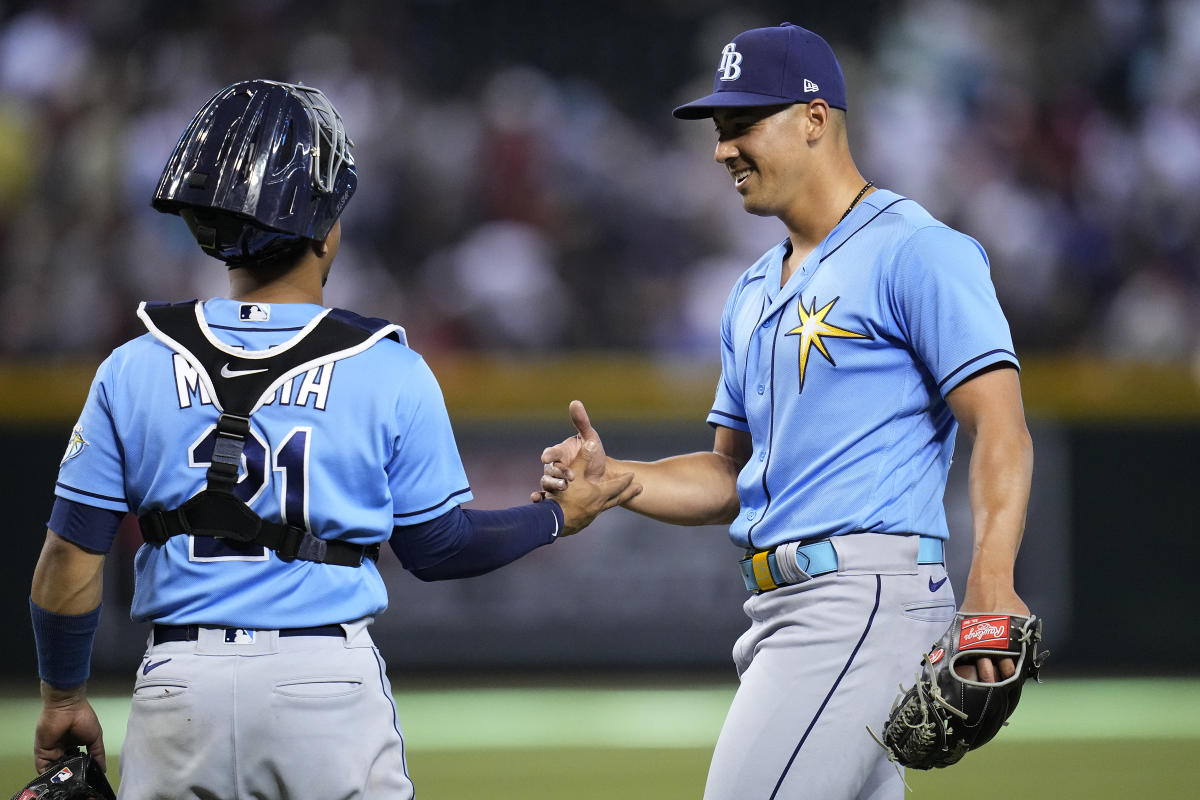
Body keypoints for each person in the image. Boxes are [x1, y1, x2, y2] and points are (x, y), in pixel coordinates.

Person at [29, 79, 638, 800]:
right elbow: (437, 549)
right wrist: (557, 517)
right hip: (322, 685)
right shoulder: (385, 366)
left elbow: (70, 557)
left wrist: (63, 698)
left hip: (176, 691)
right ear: (327, 229)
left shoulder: (134, 364)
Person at [537, 23, 1034, 800]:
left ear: (814, 117)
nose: (721, 148)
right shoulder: (752, 290)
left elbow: (1000, 425)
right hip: (785, 607)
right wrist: (622, 479)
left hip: (861, 601)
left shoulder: (915, 250)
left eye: (743, 123)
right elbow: (731, 475)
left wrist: (993, 582)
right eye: (718, 128)